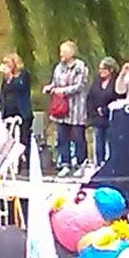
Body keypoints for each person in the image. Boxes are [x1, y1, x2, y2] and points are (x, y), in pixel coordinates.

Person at [43, 40, 89, 177]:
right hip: (61, 109)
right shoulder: (59, 67)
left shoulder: (80, 67)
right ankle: (65, 163)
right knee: (62, 137)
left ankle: (82, 163)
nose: (61, 54)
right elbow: (55, 82)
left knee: (78, 137)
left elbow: (79, 86)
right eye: (60, 51)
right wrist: (50, 87)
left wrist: (62, 91)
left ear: (71, 52)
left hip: (76, 108)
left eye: (63, 51)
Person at [0, 53, 33, 172]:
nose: (6, 66)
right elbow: (3, 93)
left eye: (8, 63)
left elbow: (22, 88)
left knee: (23, 139)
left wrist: (11, 77)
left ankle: (26, 163)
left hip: (22, 113)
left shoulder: (23, 75)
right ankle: (10, 164)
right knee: (8, 139)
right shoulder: (5, 79)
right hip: (8, 113)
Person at [85, 56, 122, 167]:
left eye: (103, 69)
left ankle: (109, 164)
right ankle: (98, 164)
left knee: (110, 142)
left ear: (110, 70)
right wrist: (93, 112)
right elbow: (90, 97)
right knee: (98, 142)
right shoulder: (96, 81)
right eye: (100, 68)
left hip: (111, 117)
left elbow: (118, 97)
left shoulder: (116, 82)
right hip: (97, 118)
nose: (100, 71)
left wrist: (105, 110)